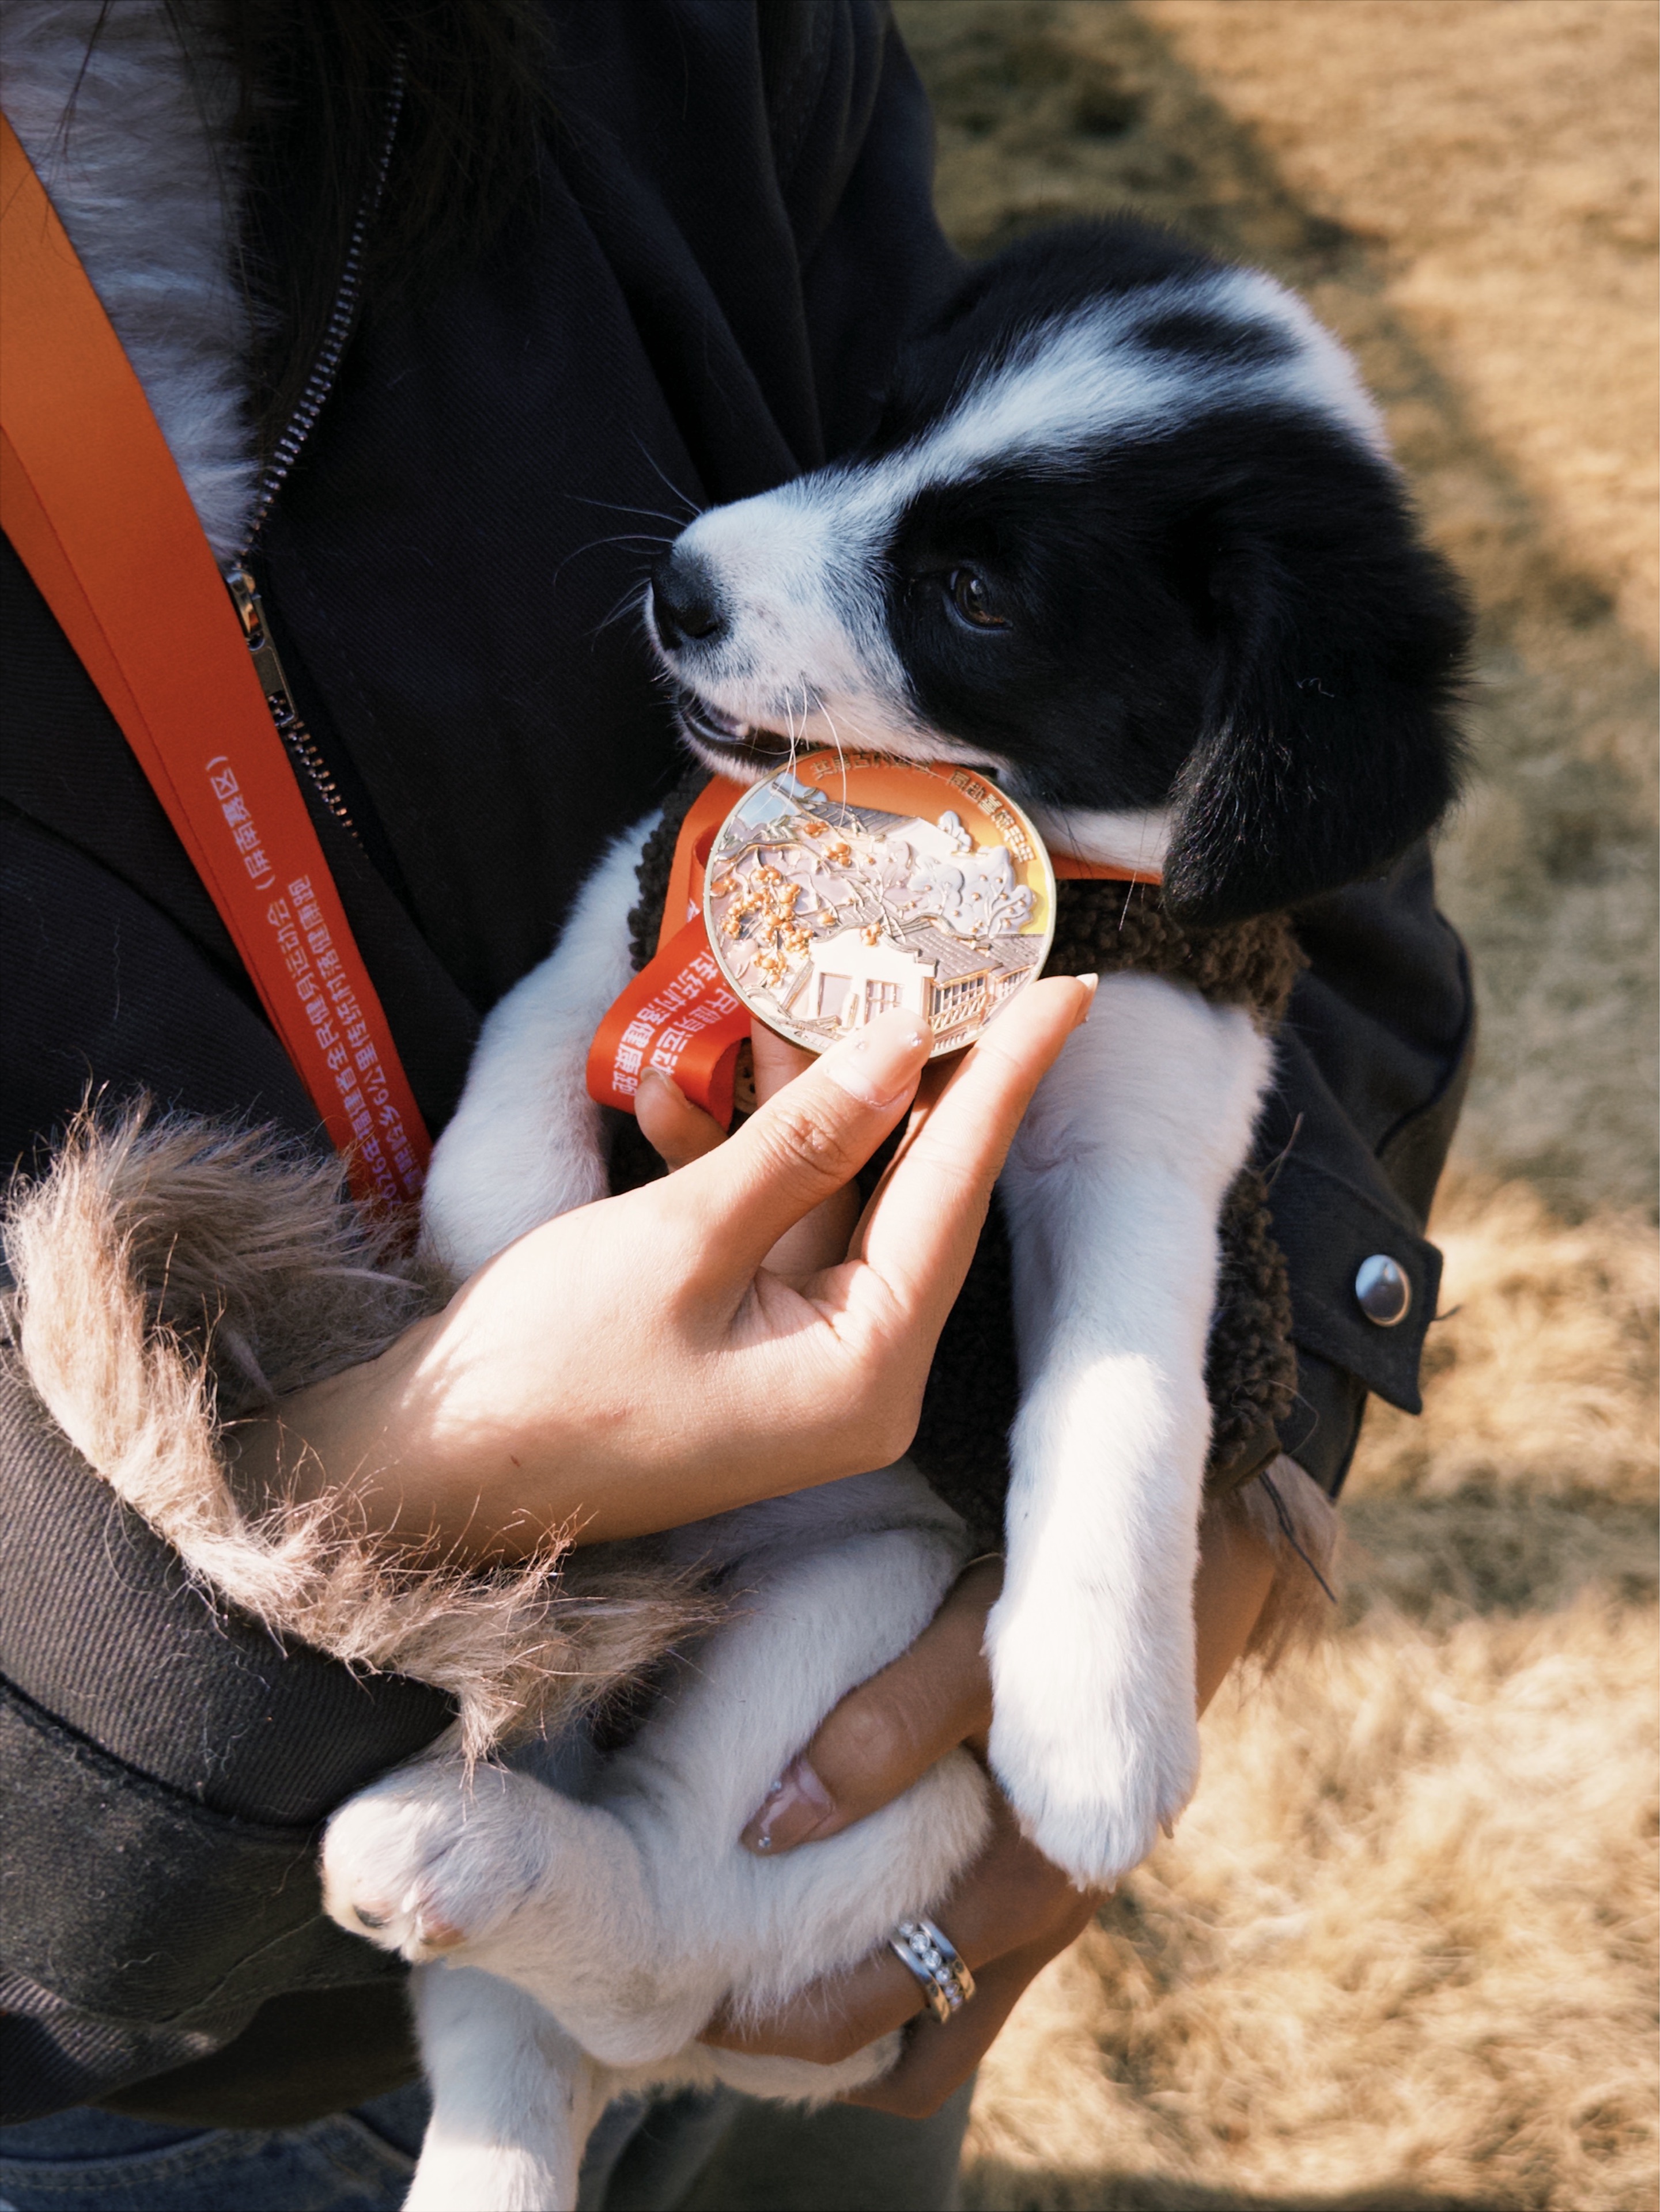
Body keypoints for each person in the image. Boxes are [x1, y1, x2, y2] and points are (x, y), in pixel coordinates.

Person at [0, 4, 1473, 2206]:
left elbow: (1272, 910)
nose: (752, 537)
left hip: (839, 1805)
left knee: (800, 1749)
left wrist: (1218, 1491)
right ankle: (528, 2076)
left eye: (952, 568)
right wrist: (392, 1483)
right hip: (152, 2026)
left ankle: (589, 2002)